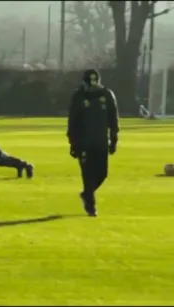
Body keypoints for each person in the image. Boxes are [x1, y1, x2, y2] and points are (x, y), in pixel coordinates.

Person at [67, 69, 119, 217]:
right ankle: (91, 206)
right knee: (87, 175)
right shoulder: (78, 96)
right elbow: (73, 121)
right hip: (83, 142)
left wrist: (114, 139)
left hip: (101, 141)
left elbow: (113, 119)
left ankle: (86, 194)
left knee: (102, 173)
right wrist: (73, 143)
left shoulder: (107, 95)